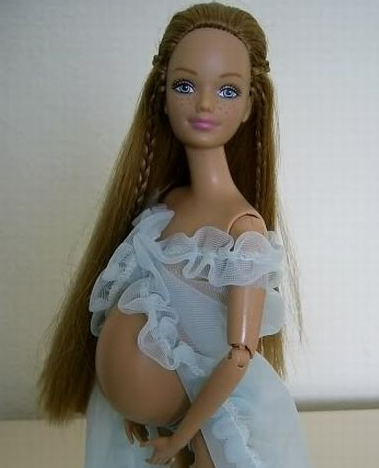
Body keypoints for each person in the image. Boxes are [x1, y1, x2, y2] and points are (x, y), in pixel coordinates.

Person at [38, 3, 312, 467]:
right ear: (161, 96)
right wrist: (133, 402)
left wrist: (182, 432)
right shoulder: (162, 204)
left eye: (227, 90)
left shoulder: (240, 230)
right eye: (185, 85)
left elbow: (239, 355)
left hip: (211, 423)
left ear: (249, 106)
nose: (205, 104)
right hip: (145, 426)